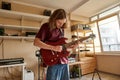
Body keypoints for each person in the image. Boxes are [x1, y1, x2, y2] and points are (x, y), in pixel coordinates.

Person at [34, 9, 79, 80]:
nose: (61, 25)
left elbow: (62, 48)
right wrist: (53, 48)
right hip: (53, 62)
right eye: (59, 22)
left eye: (63, 23)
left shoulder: (61, 29)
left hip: (64, 62)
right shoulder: (46, 26)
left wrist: (73, 48)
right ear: (54, 19)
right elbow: (36, 42)